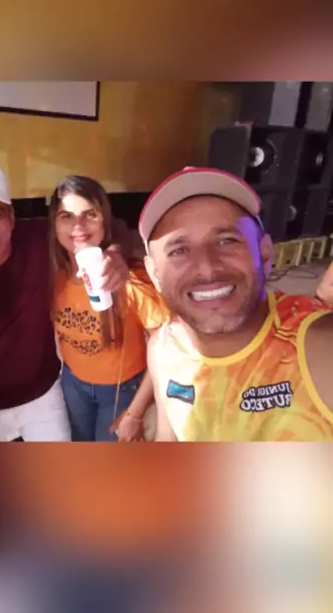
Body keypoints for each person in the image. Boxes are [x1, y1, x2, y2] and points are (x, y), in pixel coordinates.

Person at [0, 160, 129, 441]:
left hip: (44, 395)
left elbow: (114, 226)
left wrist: (116, 253)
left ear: (11, 216)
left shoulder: (40, 238)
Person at [139, 166, 333, 441]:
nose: (207, 268)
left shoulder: (319, 346)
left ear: (265, 254)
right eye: (179, 250)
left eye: (226, 240)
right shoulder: (163, 348)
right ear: (154, 273)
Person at [49, 175, 170, 442]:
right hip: (73, 383)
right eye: (66, 216)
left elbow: (166, 346)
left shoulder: (128, 280)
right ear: (54, 224)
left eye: (90, 214)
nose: (78, 226)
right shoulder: (54, 276)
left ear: (105, 220)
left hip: (121, 390)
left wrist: (136, 413)